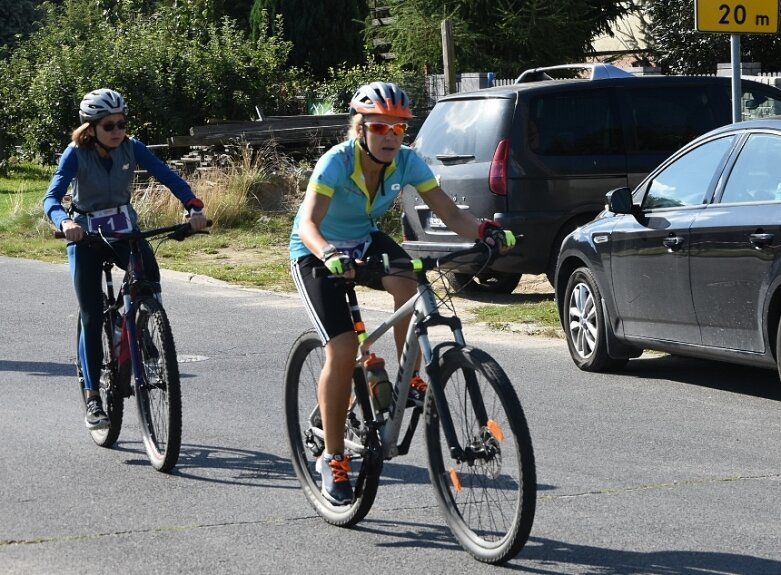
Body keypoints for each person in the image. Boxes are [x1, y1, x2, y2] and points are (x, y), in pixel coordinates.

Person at [288, 81, 515, 505]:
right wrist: (328, 253)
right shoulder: (336, 163)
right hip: (318, 251)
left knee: (410, 281)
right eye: (380, 128)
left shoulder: (407, 162)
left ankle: (408, 375)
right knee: (340, 350)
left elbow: (448, 212)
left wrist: (485, 231)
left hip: (364, 240)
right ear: (361, 130)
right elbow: (308, 225)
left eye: (399, 130)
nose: (391, 137)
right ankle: (333, 459)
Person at [43, 88, 208, 430]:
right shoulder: (75, 154)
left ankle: (144, 322)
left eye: (121, 123)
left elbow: (168, 176)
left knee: (147, 272)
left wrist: (193, 205)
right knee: (90, 314)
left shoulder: (132, 148)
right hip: (85, 236)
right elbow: (52, 198)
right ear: (91, 129)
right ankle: (92, 397)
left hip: (122, 229)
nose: (117, 130)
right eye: (109, 125)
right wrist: (66, 222)